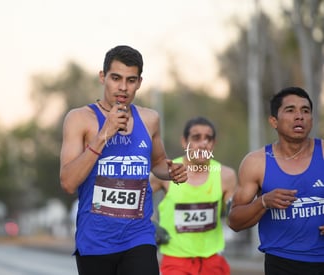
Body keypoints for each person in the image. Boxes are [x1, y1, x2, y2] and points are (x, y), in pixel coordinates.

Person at [59, 45, 187, 275]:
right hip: (96, 241)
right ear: (102, 77)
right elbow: (68, 182)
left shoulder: (150, 120)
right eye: (116, 78)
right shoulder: (80, 119)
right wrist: (103, 135)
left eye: (131, 80)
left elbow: (158, 163)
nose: (123, 87)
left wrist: (172, 172)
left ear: (139, 82)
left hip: (139, 237)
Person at [228, 87, 324, 274]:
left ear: (311, 120)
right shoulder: (256, 163)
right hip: (281, 263)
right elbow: (234, 221)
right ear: (274, 121)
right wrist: (263, 202)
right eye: (290, 110)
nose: (299, 116)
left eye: (305, 111)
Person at [150, 116, 237, 275]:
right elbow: (137, 198)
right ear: (184, 142)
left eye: (208, 138)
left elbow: (236, 216)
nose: (203, 143)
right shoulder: (167, 171)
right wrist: (150, 225)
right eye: (196, 138)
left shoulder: (226, 175)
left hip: (212, 260)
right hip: (175, 261)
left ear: (213, 144)